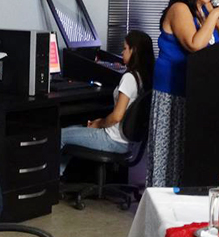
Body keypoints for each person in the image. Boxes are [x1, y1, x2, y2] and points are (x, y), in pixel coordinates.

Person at [145, 0, 219, 187]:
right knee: (170, 154)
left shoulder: (204, 12)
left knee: (187, 156)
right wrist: (215, 14)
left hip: (195, 91)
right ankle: (161, 198)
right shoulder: (179, 9)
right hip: (172, 91)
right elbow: (195, 44)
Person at [60, 30, 154, 175]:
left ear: (133, 51)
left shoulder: (129, 78)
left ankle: (51, 182)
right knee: (73, 129)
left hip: (112, 140)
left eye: (125, 48)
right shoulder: (144, 77)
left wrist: (98, 124)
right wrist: (99, 122)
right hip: (127, 143)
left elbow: (116, 116)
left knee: (60, 136)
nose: (122, 52)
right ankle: (61, 179)